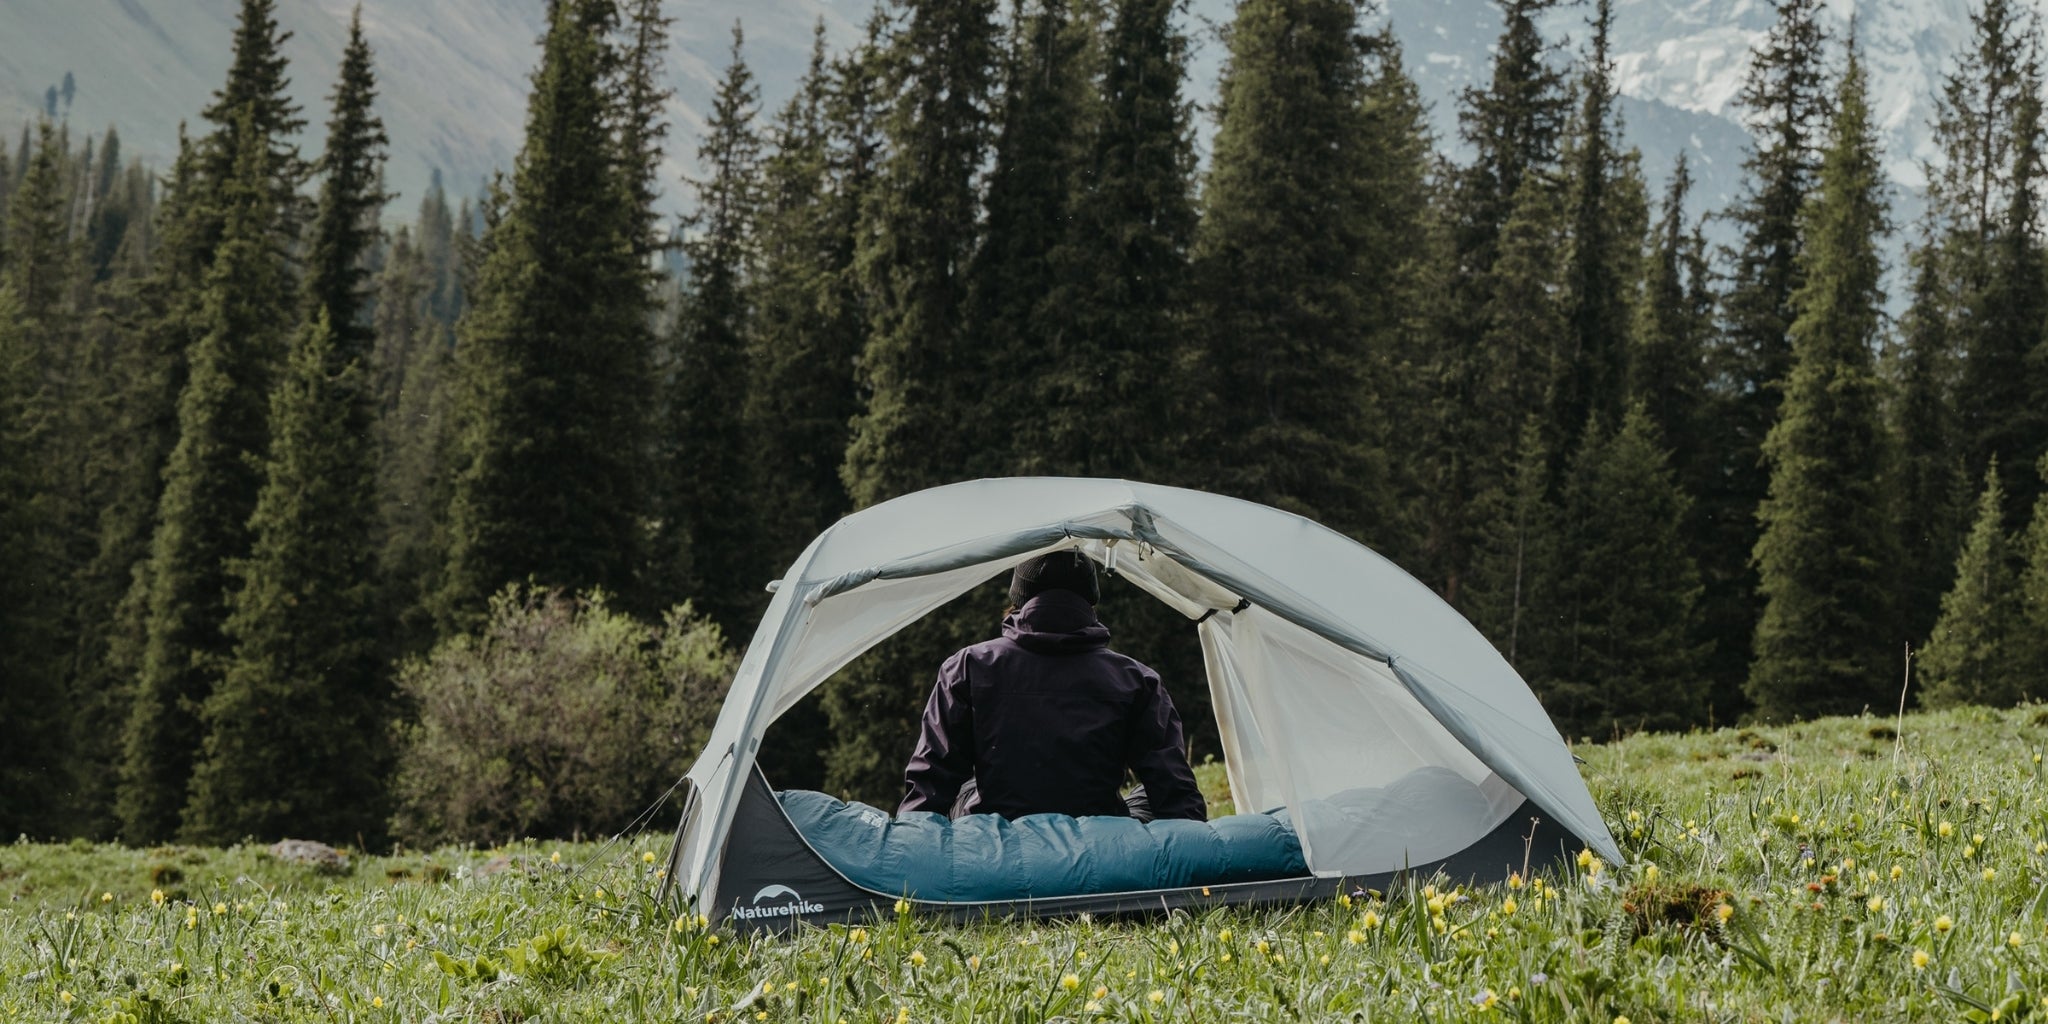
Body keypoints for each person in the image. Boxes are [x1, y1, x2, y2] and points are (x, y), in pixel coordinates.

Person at [899, 550, 1208, 822]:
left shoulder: (967, 666)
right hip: (1098, 841)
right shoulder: (1137, 679)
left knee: (966, 787)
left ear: (1019, 600)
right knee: (1145, 797)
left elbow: (930, 781)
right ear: (1090, 602)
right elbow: (1176, 795)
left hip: (997, 839)